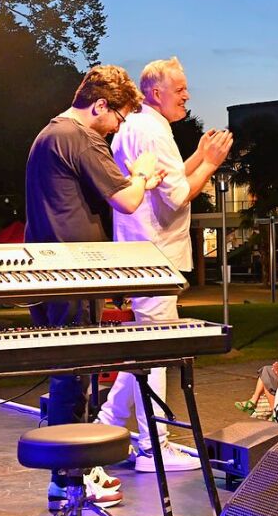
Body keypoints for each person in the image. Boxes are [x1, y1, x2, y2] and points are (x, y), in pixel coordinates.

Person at [26, 64, 162, 509]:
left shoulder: (49, 135)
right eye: (118, 117)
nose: (118, 126)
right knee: (75, 374)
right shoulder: (81, 136)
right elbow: (125, 199)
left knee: (71, 373)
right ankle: (68, 479)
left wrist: (140, 182)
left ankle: (75, 472)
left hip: (49, 272)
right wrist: (141, 174)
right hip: (73, 273)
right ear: (100, 104)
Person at [98, 57, 232, 474]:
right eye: (181, 89)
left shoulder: (137, 125)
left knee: (143, 348)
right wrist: (211, 162)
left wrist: (195, 156)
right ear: (157, 93)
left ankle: (108, 426)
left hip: (139, 254)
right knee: (155, 350)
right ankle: (153, 447)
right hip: (153, 257)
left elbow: (168, 180)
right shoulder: (154, 131)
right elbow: (176, 197)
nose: (188, 96)